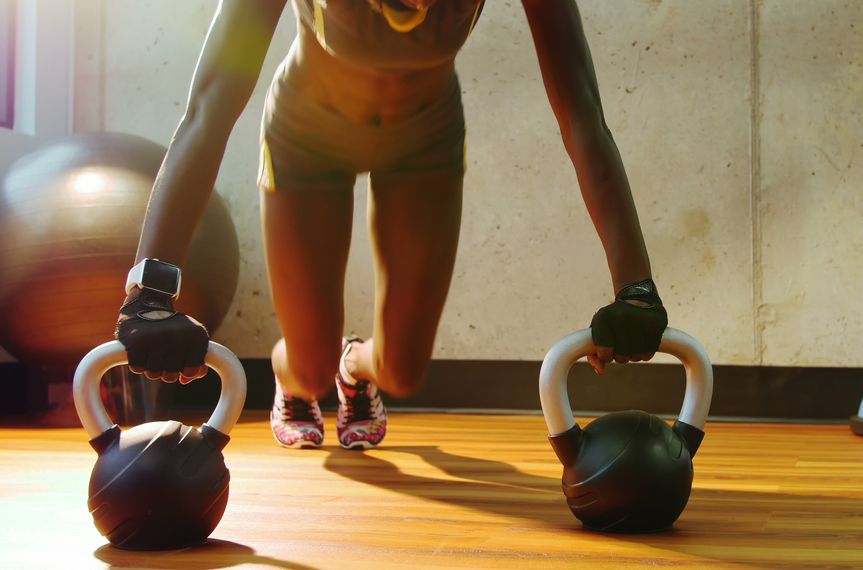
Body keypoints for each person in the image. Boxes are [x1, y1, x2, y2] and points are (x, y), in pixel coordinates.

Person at [115, 0, 668, 450]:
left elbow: (583, 117)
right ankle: (296, 376)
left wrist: (635, 288)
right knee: (308, 372)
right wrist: (150, 292)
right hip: (306, 141)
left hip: (423, 143)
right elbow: (207, 111)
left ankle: (353, 363)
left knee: (401, 374)